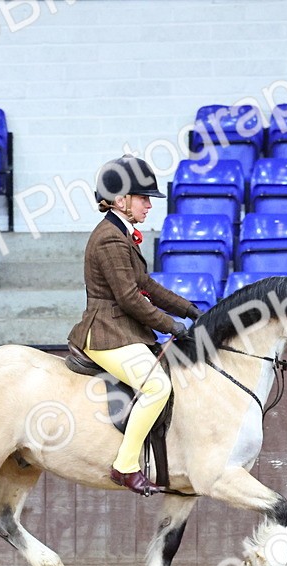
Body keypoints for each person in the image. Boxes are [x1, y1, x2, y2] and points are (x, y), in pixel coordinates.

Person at [67, 156, 202, 496]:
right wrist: (171, 325)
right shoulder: (109, 239)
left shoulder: (120, 234)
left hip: (122, 329)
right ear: (120, 199)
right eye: (143, 197)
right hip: (106, 333)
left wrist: (190, 310)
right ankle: (125, 465)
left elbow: (147, 285)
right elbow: (129, 298)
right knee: (157, 386)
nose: (148, 205)